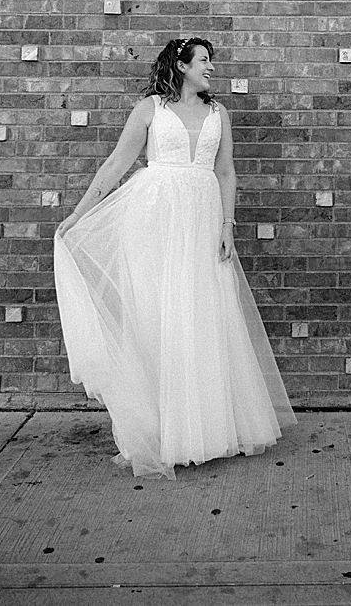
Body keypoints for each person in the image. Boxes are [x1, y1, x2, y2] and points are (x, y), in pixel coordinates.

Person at [54, 38, 296, 479]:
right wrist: (77, 214)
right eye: (204, 61)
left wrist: (228, 226)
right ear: (181, 65)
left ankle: (205, 430)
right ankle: (163, 431)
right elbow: (115, 165)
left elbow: (226, 172)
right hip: (153, 223)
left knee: (203, 318)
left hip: (203, 224)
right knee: (158, 318)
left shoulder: (218, 114)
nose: (211, 68)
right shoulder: (150, 109)